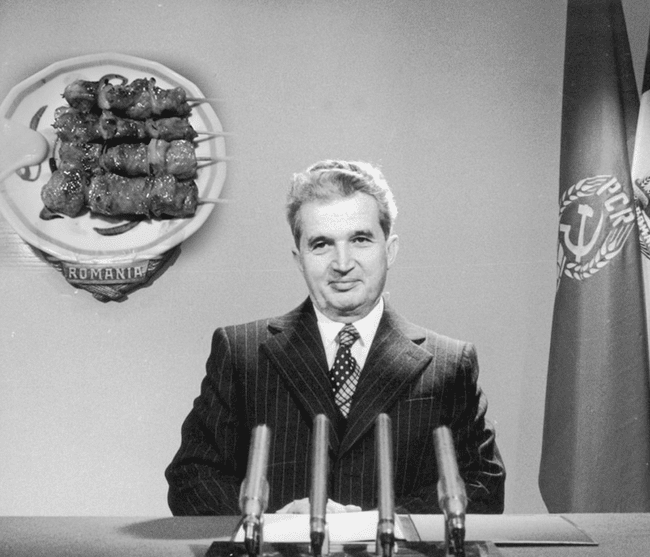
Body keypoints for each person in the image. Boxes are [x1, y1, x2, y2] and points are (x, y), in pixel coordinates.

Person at [165, 159, 505, 515]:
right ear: (299, 258)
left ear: (389, 250)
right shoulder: (241, 354)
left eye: (360, 240)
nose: (342, 263)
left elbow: (482, 485)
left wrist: (376, 524)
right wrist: (273, 524)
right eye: (321, 244)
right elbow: (192, 479)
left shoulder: (450, 365)